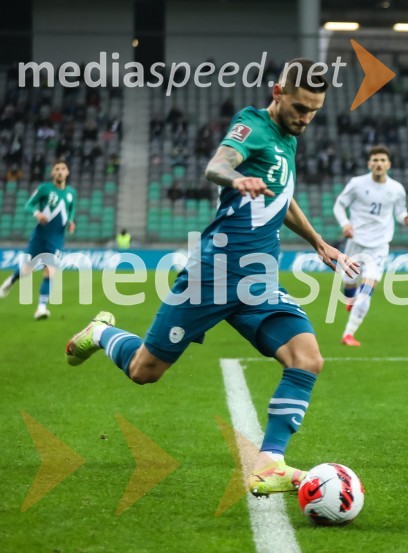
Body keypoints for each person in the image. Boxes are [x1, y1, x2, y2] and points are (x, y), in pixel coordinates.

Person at [63, 59, 358, 497]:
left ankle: (270, 462)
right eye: (299, 107)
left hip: (258, 280)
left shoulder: (289, 137)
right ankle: (101, 332)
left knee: (308, 358)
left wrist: (318, 241)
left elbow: (283, 197)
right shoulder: (254, 125)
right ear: (278, 92)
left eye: (314, 111)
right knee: (146, 370)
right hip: (215, 273)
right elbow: (217, 165)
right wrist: (238, 179)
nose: (305, 118)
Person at [333, 145, 408, 346]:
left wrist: (406, 220)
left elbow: (400, 213)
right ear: (369, 164)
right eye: (375, 160)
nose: (378, 164)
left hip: (379, 246)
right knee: (349, 286)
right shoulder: (357, 184)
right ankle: (351, 299)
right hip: (356, 243)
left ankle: (348, 334)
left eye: (382, 160)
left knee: (366, 291)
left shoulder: (396, 189)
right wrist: (345, 224)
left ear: (389, 164)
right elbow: (339, 205)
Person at [0, 160, 76, 319]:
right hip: (40, 236)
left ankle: (41, 308)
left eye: (63, 169)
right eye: (57, 169)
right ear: (52, 173)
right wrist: (37, 213)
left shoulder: (71, 193)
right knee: (28, 270)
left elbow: (71, 209)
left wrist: (70, 221)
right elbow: (28, 205)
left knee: (50, 271)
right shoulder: (44, 189)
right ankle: (11, 281)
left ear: (67, 172)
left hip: (56, 239)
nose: (60, 172)